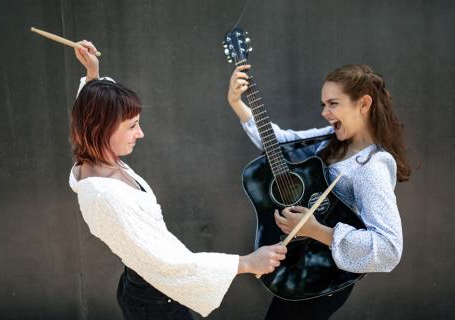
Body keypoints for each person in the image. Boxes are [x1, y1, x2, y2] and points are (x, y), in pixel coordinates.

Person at [68, 41, 287, 320]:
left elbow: (86, 111)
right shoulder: (105, 196)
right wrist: (245, 263)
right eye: (132, 126)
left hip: (148, 290)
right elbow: (169, 263)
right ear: (100, 129)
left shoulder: (93, 154)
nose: (141, 133)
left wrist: (92, 74)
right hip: (156, 301)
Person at [227, 64, 411, 319]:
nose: (325, 113)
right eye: (323, 105)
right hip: (300, 264)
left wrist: (313, 230)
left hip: (326, 278)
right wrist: (237, 103)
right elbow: (278, 143)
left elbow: (389, 248)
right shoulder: (332, 138)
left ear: (364, 103)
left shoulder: (372, 166)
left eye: (333, 104)